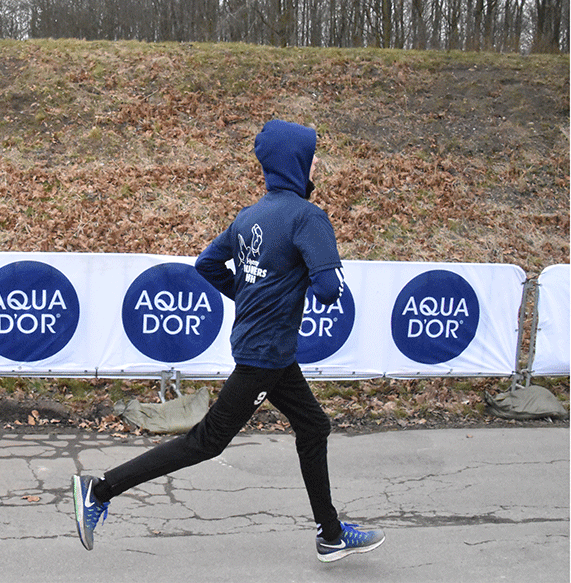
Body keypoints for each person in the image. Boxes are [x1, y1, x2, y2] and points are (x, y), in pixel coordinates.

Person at [72, 119, 385, 563]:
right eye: (313, 153)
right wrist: (295, 286)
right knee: (205, 442)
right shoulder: (307, 217)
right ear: (296, 161)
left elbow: (208, 263)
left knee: (314, 426)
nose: (318, 160)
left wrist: (251, 293)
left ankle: (330, 534)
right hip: (264, 356)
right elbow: (329, 289)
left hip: (266, 348)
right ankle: (100, 490)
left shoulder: (249, 216)